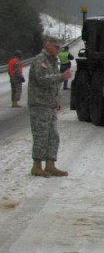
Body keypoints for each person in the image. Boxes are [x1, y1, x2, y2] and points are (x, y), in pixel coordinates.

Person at [28, 37, 73, 177]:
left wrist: (57, 100)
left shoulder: (53, 61)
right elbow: (42, 79)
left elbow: (54, 85)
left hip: (49, 105)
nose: (58, 50)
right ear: (48, 46)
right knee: (41, 135)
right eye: (56, 47)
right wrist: (61, 77)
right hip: (39, 104)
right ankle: (36, 166)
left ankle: (50, 165)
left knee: (53, 136)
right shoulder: (40, 60)